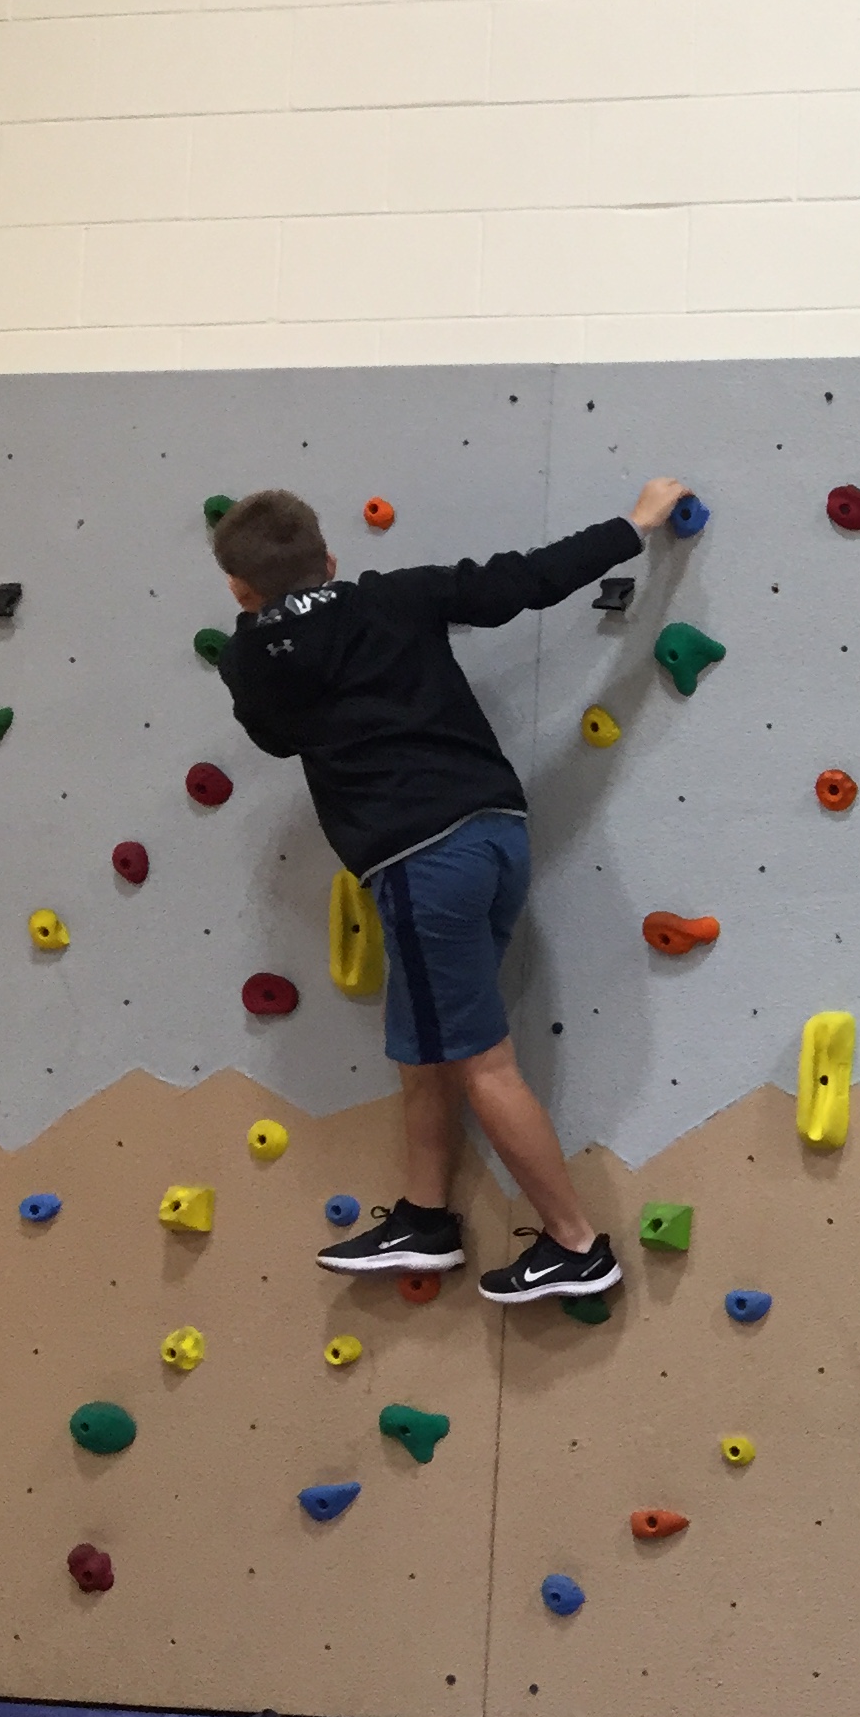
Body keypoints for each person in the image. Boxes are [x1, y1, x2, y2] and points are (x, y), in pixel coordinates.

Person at [213, 479, 689, 1304]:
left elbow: (275, 737)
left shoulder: (252, 652)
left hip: (418, 860)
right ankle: (424, 1217)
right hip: (493, 833)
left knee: (483, 1062)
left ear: (238, 590)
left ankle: (578, 1245)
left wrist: (268, 634)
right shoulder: (397, 595)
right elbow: (523, 580)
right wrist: (636, 523)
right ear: (329, 557)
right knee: (425, 1038)